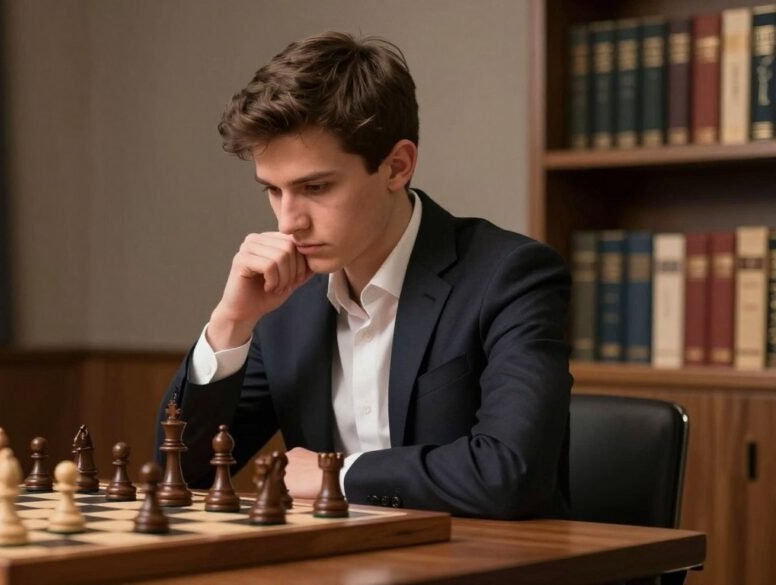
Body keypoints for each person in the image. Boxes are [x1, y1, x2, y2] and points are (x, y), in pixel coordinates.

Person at [157, 31, 572, 519]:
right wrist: (231, 322)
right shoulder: (286, 298)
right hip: (335, 555)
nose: (288, 222)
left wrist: (337, 474)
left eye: (315, 187)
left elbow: (512, 473)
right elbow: (183, 474)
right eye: (273, 190)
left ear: (397, 166)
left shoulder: (511, 276)